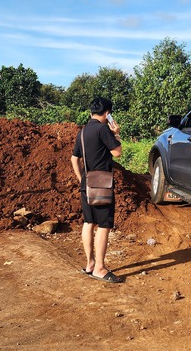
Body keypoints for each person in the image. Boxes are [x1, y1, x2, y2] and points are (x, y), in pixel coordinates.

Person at [70, 97, 124, 283]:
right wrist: (115, 133)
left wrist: (81, 179)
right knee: (104, 225)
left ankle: (90, 264)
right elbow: (117, 152)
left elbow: (74, 159)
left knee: (88, 222)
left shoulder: (82, 131)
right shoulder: (103, 129)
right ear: (107, 113)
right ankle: (100, 268)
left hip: (87, 181)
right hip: (102, 183)